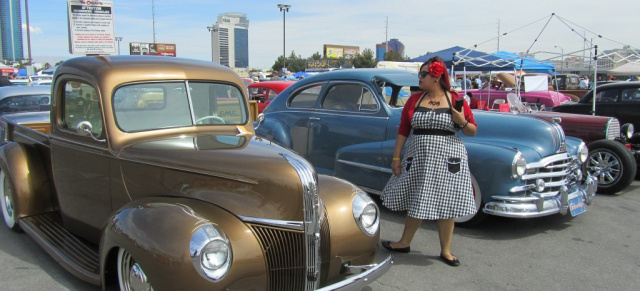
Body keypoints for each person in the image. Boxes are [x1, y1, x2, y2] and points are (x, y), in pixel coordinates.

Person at [380, 56, 478, 267]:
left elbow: (472, 131)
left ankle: (446, 250)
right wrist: (396, 158)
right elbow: (403, 130)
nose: (420, 77)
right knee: (418, 197)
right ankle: (404, 242)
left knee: (447, 202)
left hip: (449, 160)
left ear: (436, 77)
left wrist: (461, 121)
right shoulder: (415, 100)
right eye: (420, 74)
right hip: (419, 158)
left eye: (423, 74)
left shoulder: (456, 99)